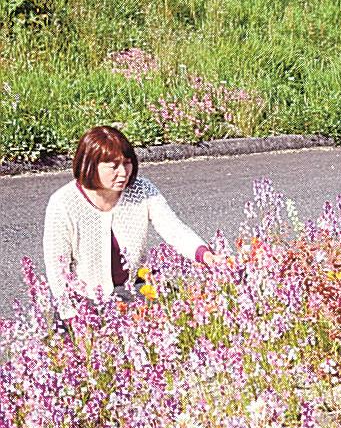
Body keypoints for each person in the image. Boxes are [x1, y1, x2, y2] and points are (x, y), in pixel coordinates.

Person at [42, 125, 227, 326]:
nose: (123, 173)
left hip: (131, 289)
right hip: (84, 300)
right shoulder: (63, 202)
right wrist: (70, 315)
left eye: (127, 163)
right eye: (113, 166)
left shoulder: (142, 189)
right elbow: (56, 266)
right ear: (90, 165)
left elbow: (173, 228)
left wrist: (204, 255)